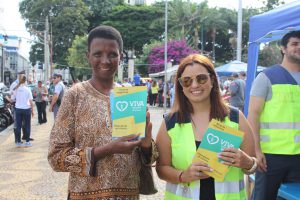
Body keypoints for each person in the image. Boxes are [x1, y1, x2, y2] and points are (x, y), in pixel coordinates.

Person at [48, 25, 158, 199]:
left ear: (120, 57)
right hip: (85, 195)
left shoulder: (130, 96)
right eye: (98, 54)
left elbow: (149, 159)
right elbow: (56, 157)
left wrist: (146, 143)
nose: (105, 60)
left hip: (128, 195)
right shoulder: (74, 96)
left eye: (112, 54)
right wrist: (106, 150)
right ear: (88, 57)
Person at [155, 54, 257, 200]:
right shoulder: (170, 123)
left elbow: (254, 163)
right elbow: (161, 169)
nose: (195, 85)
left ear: (212, 80)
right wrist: (183, 175)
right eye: (187, 81)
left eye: (201, 78)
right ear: (181, 86)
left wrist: (247, 162)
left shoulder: (235, 118)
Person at [248, 31, 300, 200]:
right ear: (283, 48)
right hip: (271, 157)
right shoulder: (266, 77)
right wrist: (256, 150)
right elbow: (253, 115)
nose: (299, 47)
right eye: (294, 44)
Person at [12, 74, 34, 147]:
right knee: (27, 126)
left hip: (18, 109)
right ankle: (27, 142)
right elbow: (31, 101)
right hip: (27, 109)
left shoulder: (16, 89)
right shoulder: (28, 89)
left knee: (18, 126)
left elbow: (13, 99)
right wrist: (33, 111)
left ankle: (18, 142)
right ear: (25, 80)